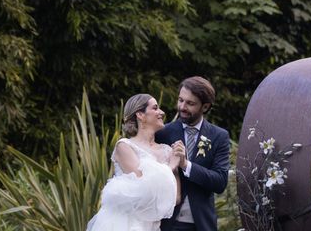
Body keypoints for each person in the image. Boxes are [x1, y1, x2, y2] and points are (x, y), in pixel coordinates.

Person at [87, 94, 181, 231]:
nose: (162, 112)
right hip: (124, 224)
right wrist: (171, 166)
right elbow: (142, 189)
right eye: (155, 108)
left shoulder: (167, 151)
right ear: (140, 115)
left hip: (152, 226)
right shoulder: (124, 146)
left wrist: (179, 162)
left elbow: (176, 198)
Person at [155, 76, 230, 231]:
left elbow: (220, 182)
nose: (182, 107)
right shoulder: (162, 133)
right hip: (166, 223)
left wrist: (185, 164)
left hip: (202, 224)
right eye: (180, 100)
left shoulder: (219, 136)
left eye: (190, 103)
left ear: (205, 106)